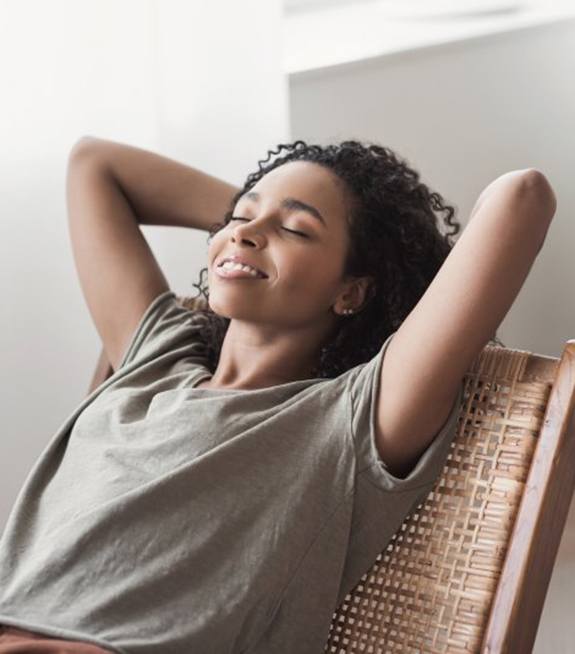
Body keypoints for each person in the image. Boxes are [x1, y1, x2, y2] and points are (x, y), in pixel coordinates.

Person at [0, 137, 556, 653]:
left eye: (298, 229)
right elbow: (93, 162)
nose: (243, 230)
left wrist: (373, 245)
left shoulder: (349, 421)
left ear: (353, 290)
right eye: (240, 216)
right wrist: (264, 232)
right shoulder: (156, 359)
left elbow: (522, 197)